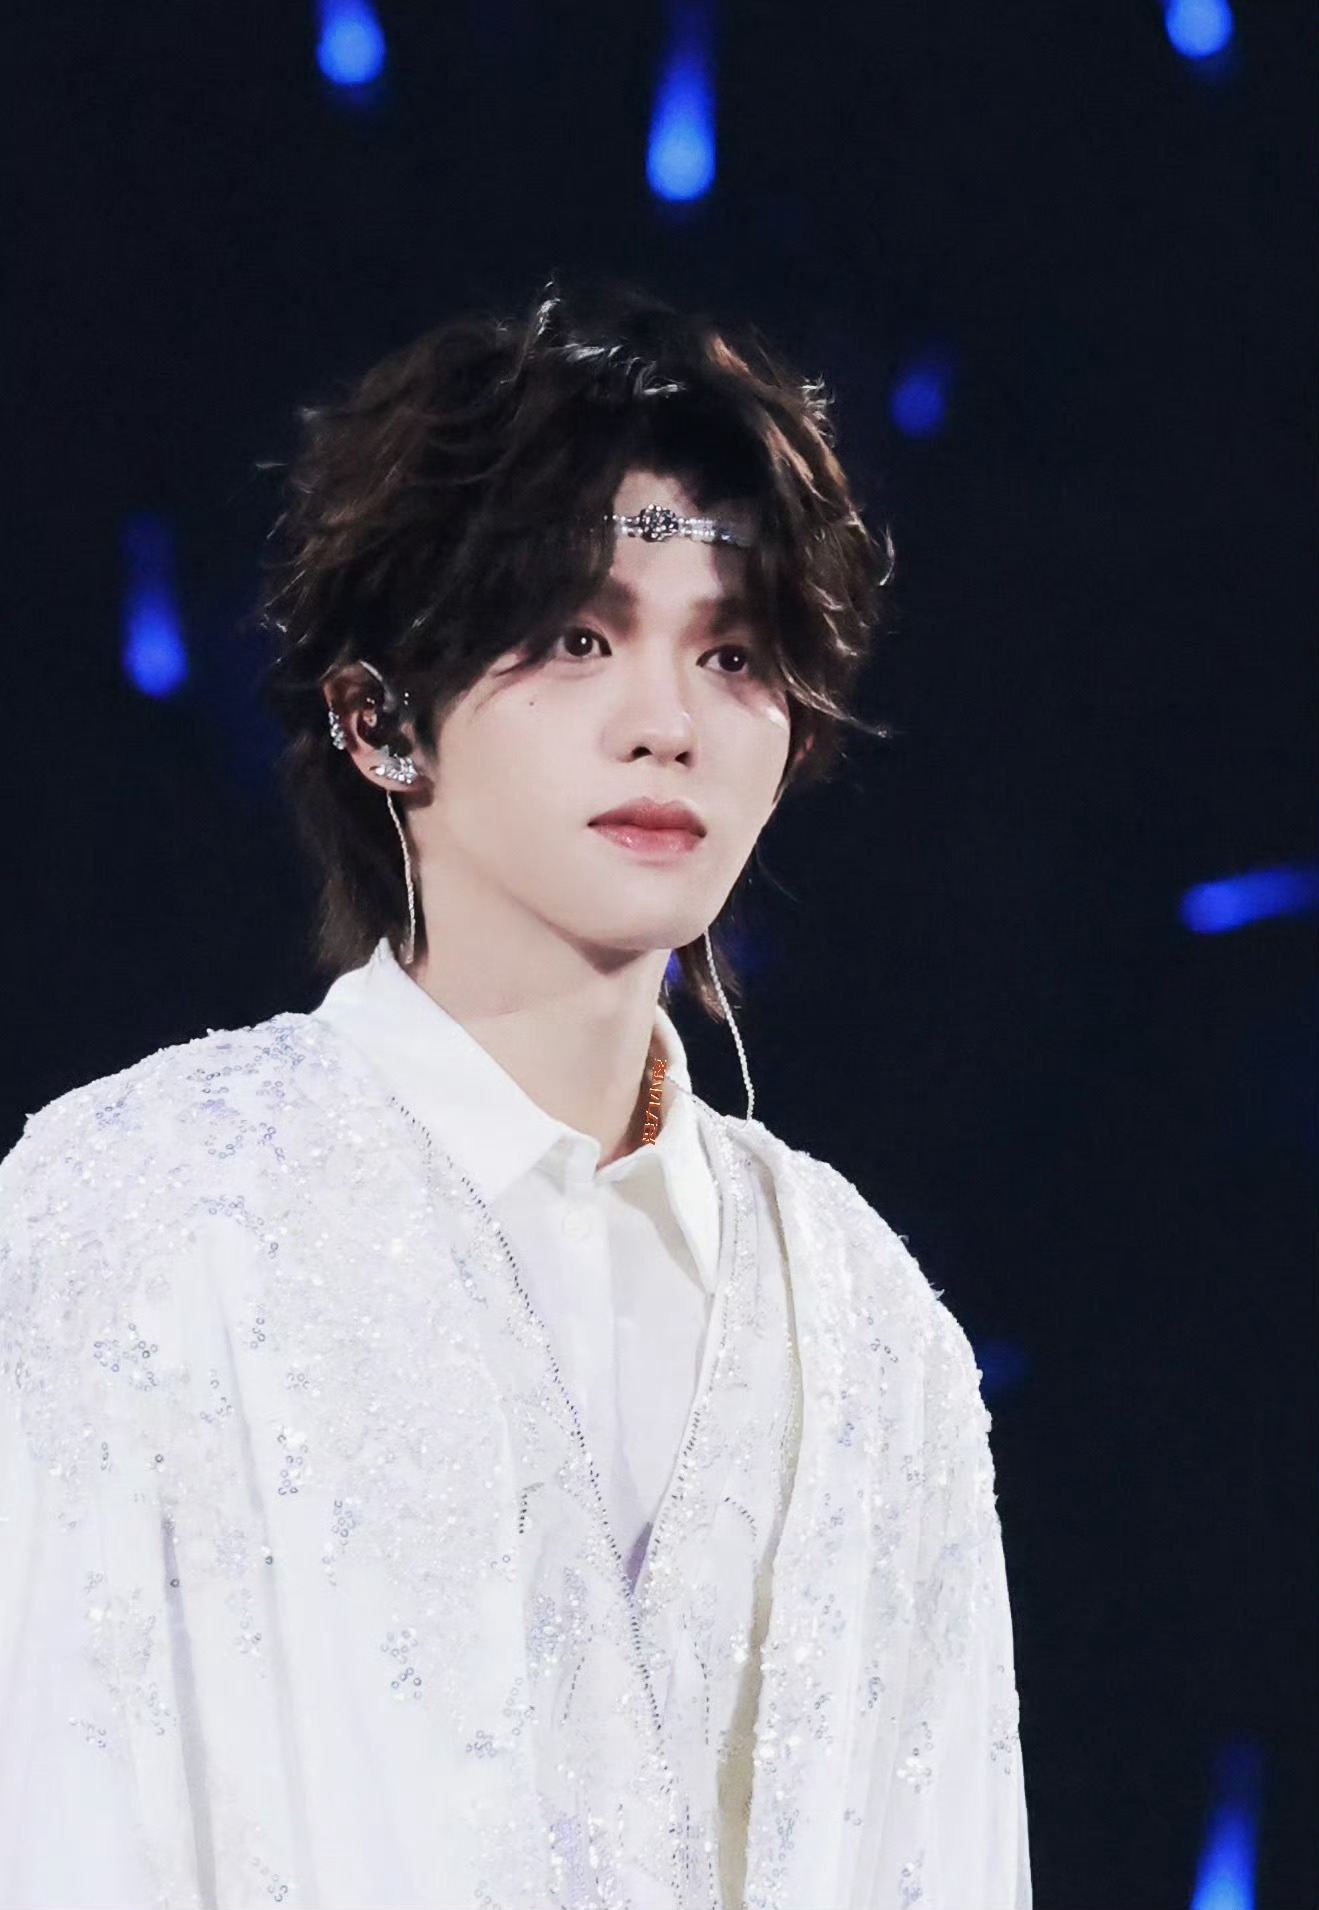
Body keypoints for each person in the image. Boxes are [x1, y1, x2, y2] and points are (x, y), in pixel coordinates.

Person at [0, 282, 1031, 1910]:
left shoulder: (867, 1319)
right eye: (576, 638)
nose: (666, 725)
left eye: (734, 653)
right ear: (376, 717)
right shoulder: (126, 1217)